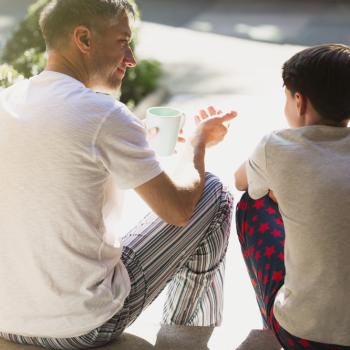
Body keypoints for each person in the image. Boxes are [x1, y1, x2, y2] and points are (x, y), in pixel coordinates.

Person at [0, 1, 237, 349]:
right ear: (83, 38)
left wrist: (137, 134)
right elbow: (178, 210)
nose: (131, 58)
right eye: (122, 41)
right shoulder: (104, 114)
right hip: (81, 327)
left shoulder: (9, 101)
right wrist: (198, 142)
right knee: (213, 194)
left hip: (6, 319)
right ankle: (185, 339)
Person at [234, 43, 350, 350]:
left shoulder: (277, 146)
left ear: (299, 101)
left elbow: (240, 180)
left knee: (253, 203)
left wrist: (279, 189)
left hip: (306, 336)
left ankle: (270, 332)